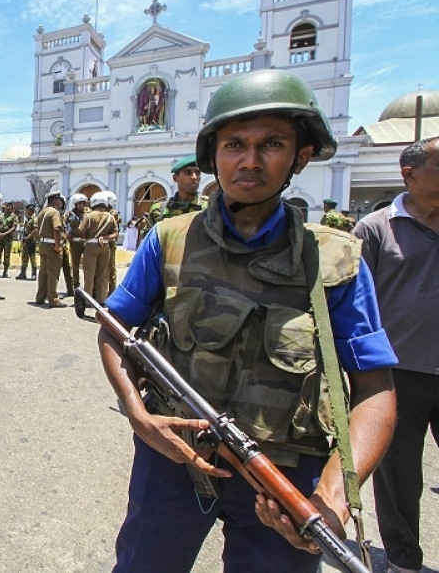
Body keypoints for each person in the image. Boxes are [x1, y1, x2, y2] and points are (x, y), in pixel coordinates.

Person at [97, 69, 397, 572]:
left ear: (300, 156)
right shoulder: (170, 240)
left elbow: (375, 388)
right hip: (175, 457)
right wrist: (137, 413)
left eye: (271, 144)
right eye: (234, 144)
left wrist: (332, 495)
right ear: (213, 155)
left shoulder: (333, 260)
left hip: (285, 474)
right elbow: (114, 329)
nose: (251, 161)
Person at [353, 136, 439, 573]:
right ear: (410, 174)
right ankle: (404, 561)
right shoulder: (375, 229)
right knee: (399, 478)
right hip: (398, 373)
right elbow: (353, 303)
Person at [75, 191, 118, 318]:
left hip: (91, 245)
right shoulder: (110, 217)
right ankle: (102, 299)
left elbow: (81, 231)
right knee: (103, 274)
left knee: (89, 274)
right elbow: (115, 234)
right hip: (105, 246)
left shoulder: (89, 216)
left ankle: (88, 300)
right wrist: (105, 237)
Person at [145, 155, 208, 228]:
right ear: (175, 178)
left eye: (197, 173)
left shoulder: (210, 206)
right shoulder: (159, 210)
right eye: (188, 173)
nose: (194, 177)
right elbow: (149, 235)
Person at [34, 189, 67, 308]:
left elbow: (37, 229)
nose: (60, 202)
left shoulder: (42, 212)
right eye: (58, 199)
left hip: (43, 244)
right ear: (54, 200)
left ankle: (40, 297)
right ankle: (53, 299)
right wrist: (57, 246)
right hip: (52, 245)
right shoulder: (54, 212)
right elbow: (57, 229)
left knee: (43, 272)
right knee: (53, 273)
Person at [65, 194, 87, 294]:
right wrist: (67, 235)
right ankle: (76, 286)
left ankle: (88, 286)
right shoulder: (69, 214)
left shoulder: (88, 213)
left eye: (82, 203)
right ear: (75, 204)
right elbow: (65, 225)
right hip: (75, 242)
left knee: (88, 265)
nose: (80, 205)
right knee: (75, 265)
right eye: (78, 203)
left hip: (86, 242)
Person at [16, 202, 38, 280]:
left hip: (31, 241)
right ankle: (23, 273)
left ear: (30, 210)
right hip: (26, 241)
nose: (26, 211)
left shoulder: (35, 219)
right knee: (24, 257)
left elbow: (36, 230)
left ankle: (34, 274)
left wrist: (28, 237)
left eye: (27, 210)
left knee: (32, 258)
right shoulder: (28, 219)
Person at [0, 201, 19, 278]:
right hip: (0, 238)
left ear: (12, 208)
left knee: (7, 255)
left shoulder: (14, 217)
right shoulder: (1, 215)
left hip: (8, 238)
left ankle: (5, 271)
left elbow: (14, 228)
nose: (8, 208)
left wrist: (5, 234)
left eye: (9, 206)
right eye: (7, 206)